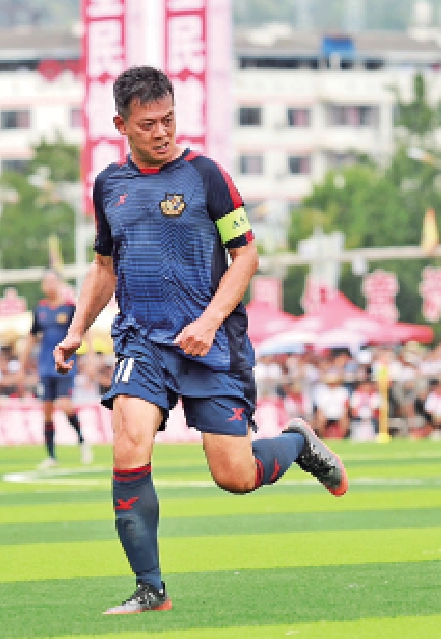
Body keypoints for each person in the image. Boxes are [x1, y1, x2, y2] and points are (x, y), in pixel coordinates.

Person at [54, 66, 348, 615]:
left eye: (168, 119)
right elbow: (103, 268)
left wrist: (210, 320)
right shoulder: (109, 186)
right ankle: (151, 589)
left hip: (213, 344)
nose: (162, 132)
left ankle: (298, 444)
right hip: (142, 342)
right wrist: (76, 330)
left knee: (234, 477)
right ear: (121, 125)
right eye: (148, 124)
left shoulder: (207, 176)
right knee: (127, 443)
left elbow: (247, 256)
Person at [25, 270, 92, 468]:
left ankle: (82, 441)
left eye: (53, 281)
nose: (49, 285)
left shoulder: (71, 308)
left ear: (60, 283)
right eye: (46, 282)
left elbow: (84, 330)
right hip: (45, 366)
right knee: (46, 410)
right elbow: (31, 336)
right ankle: (51, 456)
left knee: (64, 404)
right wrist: (23, 363)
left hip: (65, 365)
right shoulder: (40, 310)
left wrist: (90, 357)